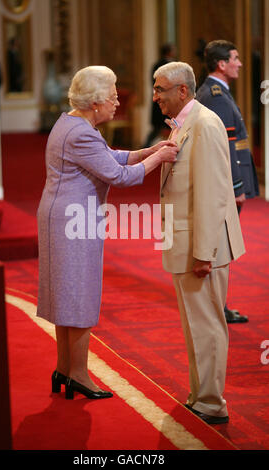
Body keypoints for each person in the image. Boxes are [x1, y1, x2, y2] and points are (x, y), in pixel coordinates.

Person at [36, 65, 178, 401]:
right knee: (80, 294)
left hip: (61, 216)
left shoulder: (71, 122)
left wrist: (146, 151)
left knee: (65, 294)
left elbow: (108, 157)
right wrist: (160, 159)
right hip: (74, 220)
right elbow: (120, 176)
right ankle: (80, 375)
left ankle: (64, 368)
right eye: (113, 96)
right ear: (96, 102)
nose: (117, 102)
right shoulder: (82, 132)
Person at [153, 61, 245, 423]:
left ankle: (211, 403)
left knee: (206, 325)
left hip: (201, 247)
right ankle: (199, 395)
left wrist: (204, 253)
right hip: (187, 243)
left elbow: (212, 194)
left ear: (183, 91)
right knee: (195, 324)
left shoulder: (204, 124)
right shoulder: (184, 124)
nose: (155, 96)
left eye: (160, 89)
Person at [196, 39, 259, 324]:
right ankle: (216, 307)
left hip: (225, 184)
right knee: (221, 248)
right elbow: (225, 146)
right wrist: (237, 187)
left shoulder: (215, 92)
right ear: (222, 64)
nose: (240, 63)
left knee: (222, 248)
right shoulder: (217, 95)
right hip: (226, 187)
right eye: (235, 58)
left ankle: (217, 305)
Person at [144, 43, 177, 147]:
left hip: (157, 101)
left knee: (157, 129)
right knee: (170, 128)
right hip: (166, 101)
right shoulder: (171, 66)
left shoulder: (156, 64)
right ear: (170, 52)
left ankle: (145, 146)